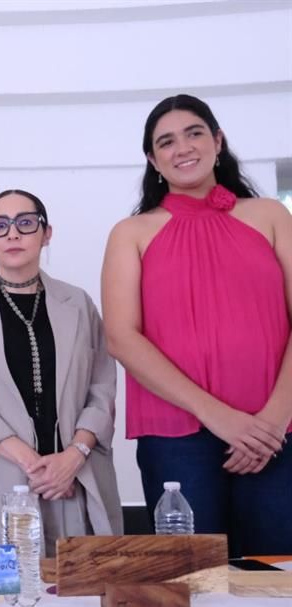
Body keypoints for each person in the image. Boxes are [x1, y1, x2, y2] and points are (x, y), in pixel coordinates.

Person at [102, 95, 291, 555]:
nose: (182, 147)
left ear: (218, 141)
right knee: (193, 577)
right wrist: (219, 417)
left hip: (275, 430)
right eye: (166, 141)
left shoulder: (270, 215)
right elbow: (122, 338)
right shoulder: (131, 233)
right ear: (153, 160)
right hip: (176, 435)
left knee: (273, 577)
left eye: (194, 133)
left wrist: (272, 421)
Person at [0, 189, 122, 554]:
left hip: (73, 477)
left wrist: (72, 457)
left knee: (79, 583)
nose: (13, 234)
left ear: (46, 233)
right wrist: (35, 465)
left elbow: (102, 387)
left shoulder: (78, 303)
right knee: (2, 585)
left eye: (25, 223)